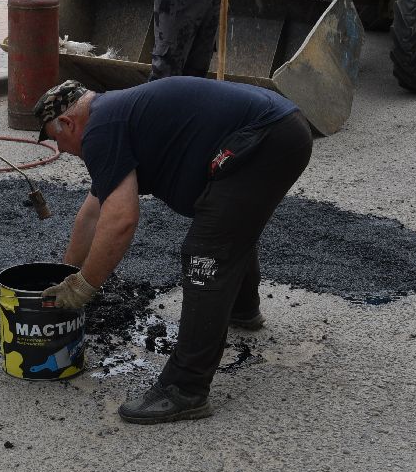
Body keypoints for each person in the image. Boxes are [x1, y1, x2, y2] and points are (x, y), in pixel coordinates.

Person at [32, 76, 314, 424]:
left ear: (67, 122)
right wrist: (66, 272)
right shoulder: (114, 115)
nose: (61, 149)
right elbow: (94, 210)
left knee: (205, 253)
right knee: (226, 224)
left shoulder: (101, 128)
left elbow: (121, 219)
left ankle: (185, 388)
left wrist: (84, 285)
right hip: (278, 128)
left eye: (56, 138)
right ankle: (242, 309)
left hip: (264, 138)